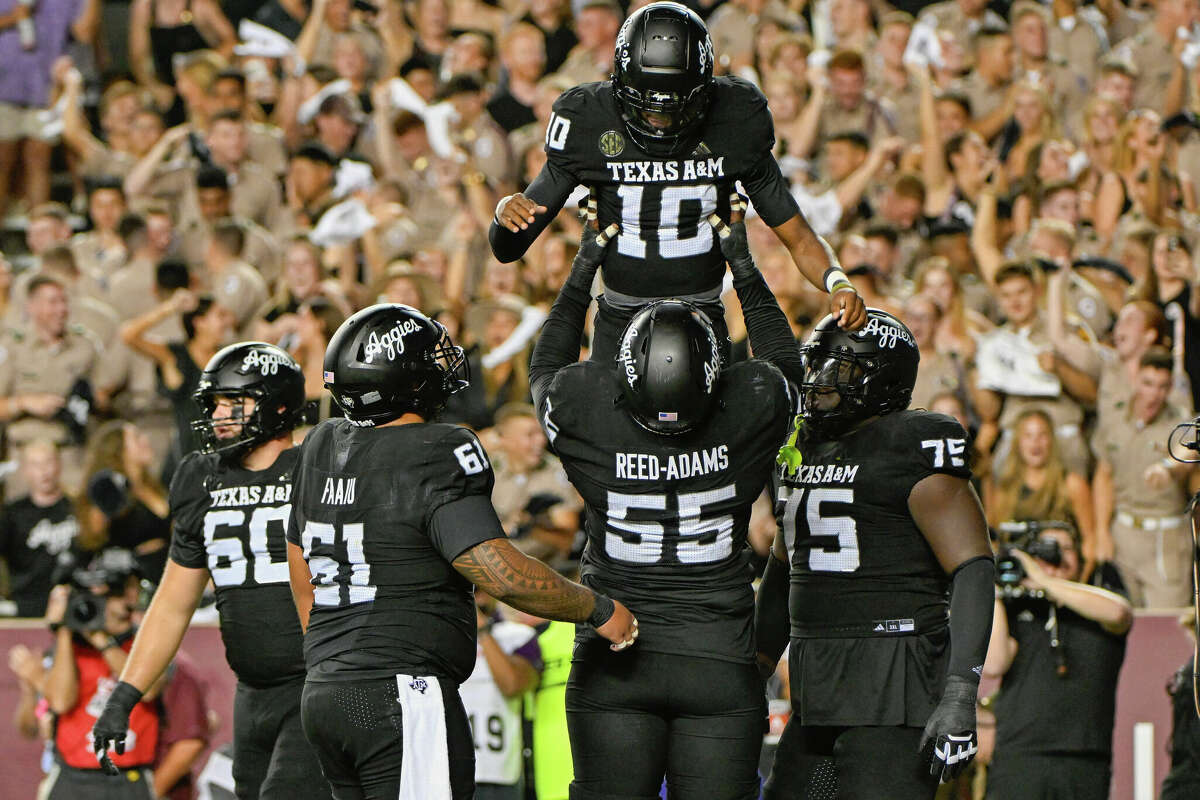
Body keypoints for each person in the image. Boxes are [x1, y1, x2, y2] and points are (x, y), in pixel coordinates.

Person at [285, 303, 637, 800]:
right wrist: (596, 608)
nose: (441, 364)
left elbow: (300, 566)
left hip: (324, 690)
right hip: (402, 693)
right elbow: (497, 571)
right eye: (429, 356)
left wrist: (337, 658)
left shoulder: (320, 445)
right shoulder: (437, 448)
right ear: (403, 377)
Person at [528, 192, 802, 799]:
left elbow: (545, 367)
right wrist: (742, 264)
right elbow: (786, 364)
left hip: (614, 658)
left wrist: (584, 268)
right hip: (717, 659)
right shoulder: (750, 407)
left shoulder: (584, 411)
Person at [489, 1, 866, 362]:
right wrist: (505, 214)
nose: (659, 120)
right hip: (619, 317)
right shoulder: (587, 118)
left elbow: (797, 234)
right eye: (646, 104)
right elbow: (509, 247)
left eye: (675, 105)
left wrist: (838, 282)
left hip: (703, 314)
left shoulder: (735, 117)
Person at [755, 310, 995, 799]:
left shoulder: (912, 441)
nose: (819, 380)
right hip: (815, 690)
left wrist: (960, 692)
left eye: (838, 367)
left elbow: (973, 565)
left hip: (893, 692)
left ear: (882, 377)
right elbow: (785, 570)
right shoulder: (804, 443)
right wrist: (753, 671)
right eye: (817, 363)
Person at [91, 342, 334, 800]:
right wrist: (127, 692)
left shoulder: (317, 465)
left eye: (233, 402)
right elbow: (172, 603)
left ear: (279, 405)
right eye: (216, 403)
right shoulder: (201, 478)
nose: (220, 414)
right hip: (252, 694)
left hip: (317, 684)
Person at [983, 524, 1133, 799]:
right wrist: (993, 589)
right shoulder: (1016, 610)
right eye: (1046, 548)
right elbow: (994, 664)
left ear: (1079, 559)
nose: (1056, 557)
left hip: (1084, 758)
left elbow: (1119, 613)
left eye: (1065, 549)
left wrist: (1044, 581)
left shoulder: (1095, 608)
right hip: (1019, 755)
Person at [43, 550, 162, 800]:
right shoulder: (71, 647)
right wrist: (64, 629)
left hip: (129, 777)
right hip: (72, 777)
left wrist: (102, 640)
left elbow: (149, 689)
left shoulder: (146, 641)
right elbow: (60, 702)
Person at [462, 591, 542, 800]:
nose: (475, 592)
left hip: (500, 773)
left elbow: (513, 685)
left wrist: (481, 629)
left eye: (480, 585)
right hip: (449, 769)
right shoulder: (442, 637)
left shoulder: (519, 635)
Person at [0, 440, 79, 617]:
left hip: (75, 603)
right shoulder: (12, 514)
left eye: (48, 462)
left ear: (59, 465)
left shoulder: (78, 508)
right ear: (24, 470)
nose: (44, 471)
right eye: (35, 464)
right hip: (27, 605)